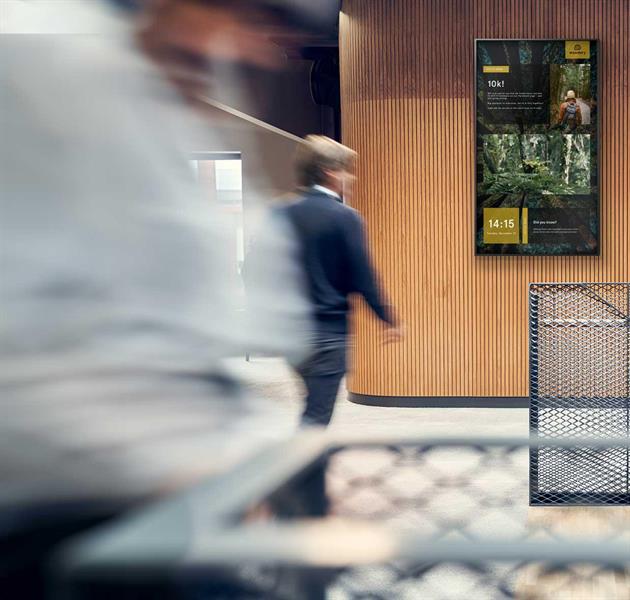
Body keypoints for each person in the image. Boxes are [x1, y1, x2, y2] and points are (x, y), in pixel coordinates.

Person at [0, 0, 336, 595]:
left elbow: (239, 315)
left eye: (267, 28)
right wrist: (186, 467)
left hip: (173, 507)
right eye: (242, 16)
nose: (257, 47)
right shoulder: (41, 77)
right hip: (67, 520)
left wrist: (243, 465)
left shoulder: (183, 107)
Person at [280, 136, 404, 427]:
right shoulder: (345, 218)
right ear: (329, 172)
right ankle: (299, 458)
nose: (351, 177)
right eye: (346, 170)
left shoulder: (281, 213)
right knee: (316, 418)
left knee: (312, 409)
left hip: (290, 334)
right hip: (327, 337)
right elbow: (363, 277)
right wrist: (389, 319)